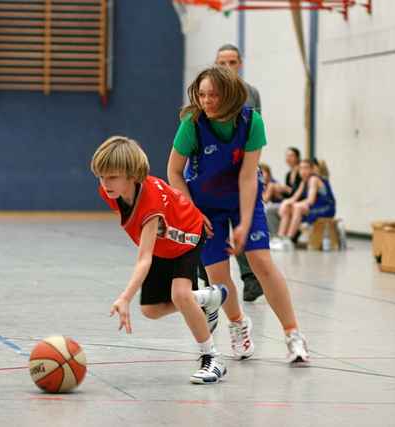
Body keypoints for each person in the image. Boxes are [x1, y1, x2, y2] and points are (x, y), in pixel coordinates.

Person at [167, 65, 309, 363]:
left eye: (213, 95)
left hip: (243, 197)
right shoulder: (192, 124)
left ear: (229, 95)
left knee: (261, 261)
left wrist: (244, 222)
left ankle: (293, 334)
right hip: (204, 205)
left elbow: (247, 176)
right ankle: (238, 324)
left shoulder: (251, 122)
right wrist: (191, 212)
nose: (206, 101)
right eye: (202, 95)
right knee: (218, 274)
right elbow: (174, 172)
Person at [91, 136, 229, 384]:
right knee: (151, 310)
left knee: (180, 295)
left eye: (111, 177)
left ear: (132, 174)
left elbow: (144, 259)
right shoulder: (109, 192)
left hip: (187, 236)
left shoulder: (150, 204)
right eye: (101, 176)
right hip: (163, 245)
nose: (105, 182)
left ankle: (212, 358)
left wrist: (125, 297)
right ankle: (208, 297)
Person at [214, 43, 263, 302]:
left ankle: (251, 279)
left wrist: (253, 167)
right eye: (222, 63)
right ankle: (206, 276)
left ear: (240, 64)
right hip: (213, 174)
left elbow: (256, 131)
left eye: (232, 62)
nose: (228, 67)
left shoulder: (251, 94)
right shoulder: (208, 93)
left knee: (243, 225)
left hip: (241, 171)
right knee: (209, 227)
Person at [272, 158, 336, 251]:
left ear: (311, 169)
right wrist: (285, 204)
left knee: (297, 207)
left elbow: (310, 200)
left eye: (306, 168)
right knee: (288, 207)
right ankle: (280, 237)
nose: (303, 171)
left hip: (325, 207)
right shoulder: (303, 182)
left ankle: (289, 239)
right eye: (301, 168)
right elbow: (294, 198)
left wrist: (295, 205)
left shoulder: (313, 179)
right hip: (314, 207)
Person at [265, 147, 302, 238]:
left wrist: (286, 189)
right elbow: (288, 195)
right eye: (287, 156)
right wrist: (280, 193)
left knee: (271, 209)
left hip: (298, 202)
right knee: (269, 209)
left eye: (291, 156)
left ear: (297, 157)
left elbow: (300, 192)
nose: (288, 158)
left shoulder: (301, 172)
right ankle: (276, 236)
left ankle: (280, 237)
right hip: (289, 201)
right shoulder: (288, 174)